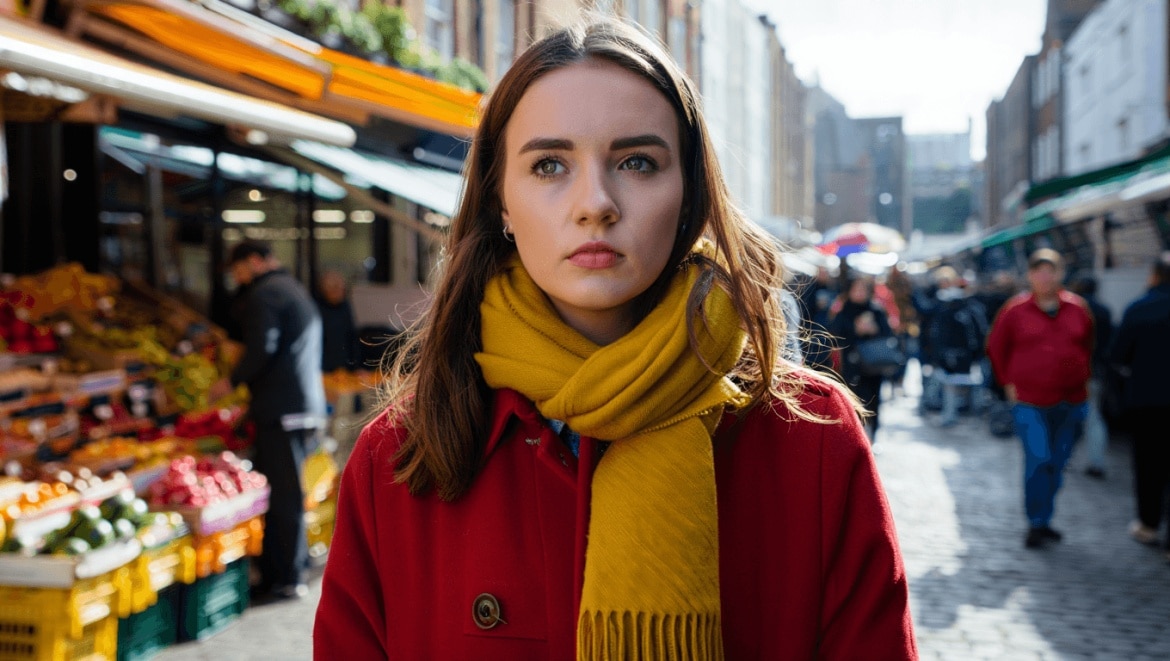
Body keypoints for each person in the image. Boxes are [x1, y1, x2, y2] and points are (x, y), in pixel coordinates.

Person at [314, 18, 916, 660]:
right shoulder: (398, 456)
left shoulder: (811, 438)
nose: (595, 202)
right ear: (501, 205)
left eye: (637, 162)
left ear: (689, 193)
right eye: (549, 165)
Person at [209, 239, 327, 601]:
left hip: (284, 411)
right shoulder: (291, 288)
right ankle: (289, 570)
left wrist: (231, 381)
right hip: (302, 406)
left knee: (283, 497)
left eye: (240, 270)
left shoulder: (266, 295)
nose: (239, 279)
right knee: (289, 494)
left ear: (256, 261)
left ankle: (287, 578)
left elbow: (263, 345)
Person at [986, 248, 1093, 549]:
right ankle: (1035, 521)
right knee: (1038, 458)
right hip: (1030, 400)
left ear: (1060, 274)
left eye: (1051, 271)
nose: (1045, 277)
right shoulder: (1015, 310)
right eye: (1038, 271)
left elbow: (1089, 344)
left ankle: (1045, 518)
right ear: (1030, 275)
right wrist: (1007, 382)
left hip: (1071, 399)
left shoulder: (1077, 308)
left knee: (1057, 463)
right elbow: (996, 347)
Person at [1109, 252, 1170, 553]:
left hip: (1147, 402)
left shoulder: (1139, 308)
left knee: (1148, 467)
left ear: (1154, 275)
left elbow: (1117, 356)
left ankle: (1149, 525)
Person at [827, 271, 897, 443]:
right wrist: (855, 330)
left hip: (873, 366)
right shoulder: (843, 310)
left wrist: (873, 330)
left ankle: (872, 437)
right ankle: (853, 437)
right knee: (852, 402)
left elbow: (887, 334)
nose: (859, 293)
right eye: (856, 289)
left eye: (862, 289)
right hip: (851, 366)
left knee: (873, 402)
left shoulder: (876, 310)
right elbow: (834, 335)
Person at [925, 270, 987, 427]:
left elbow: (979, 331)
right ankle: (952, 415)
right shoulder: (940, 304)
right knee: (949, 386)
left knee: (969, 387)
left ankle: (971, 415)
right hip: (949, 354)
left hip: (965, 354)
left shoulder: (969, 306)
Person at [1067, 272, 1113, 479]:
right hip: (1094, 372)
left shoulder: (1070, 310)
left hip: (1072, 373)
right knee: (1094, 418)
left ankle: (1064, 458)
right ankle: (1096, 461)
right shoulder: (1104, 311)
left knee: (1067, 417)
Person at [315, 269, 362, 373]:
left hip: (344, 369)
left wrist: (356, 367)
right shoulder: (316, 309)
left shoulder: (345, 307)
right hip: (322, 369)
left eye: (342, 289)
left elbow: (352, 338)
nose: (339, 292)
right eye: (335, 289)